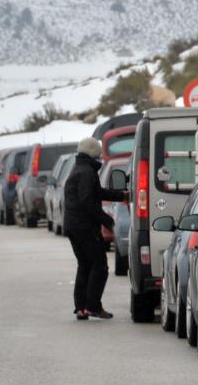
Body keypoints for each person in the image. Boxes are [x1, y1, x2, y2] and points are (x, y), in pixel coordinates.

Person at [64, 137, 127, 320]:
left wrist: (120, 195)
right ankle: (92, 306)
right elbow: (88, 201)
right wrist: (106, 219)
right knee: (99, 266)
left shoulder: (80, 169)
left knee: (85, 265)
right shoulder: (87, 172)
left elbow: (96, 193)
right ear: (93, 153)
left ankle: (81, 308)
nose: (100, 155)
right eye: (98, 152)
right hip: (84, 227)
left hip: (74, 226)